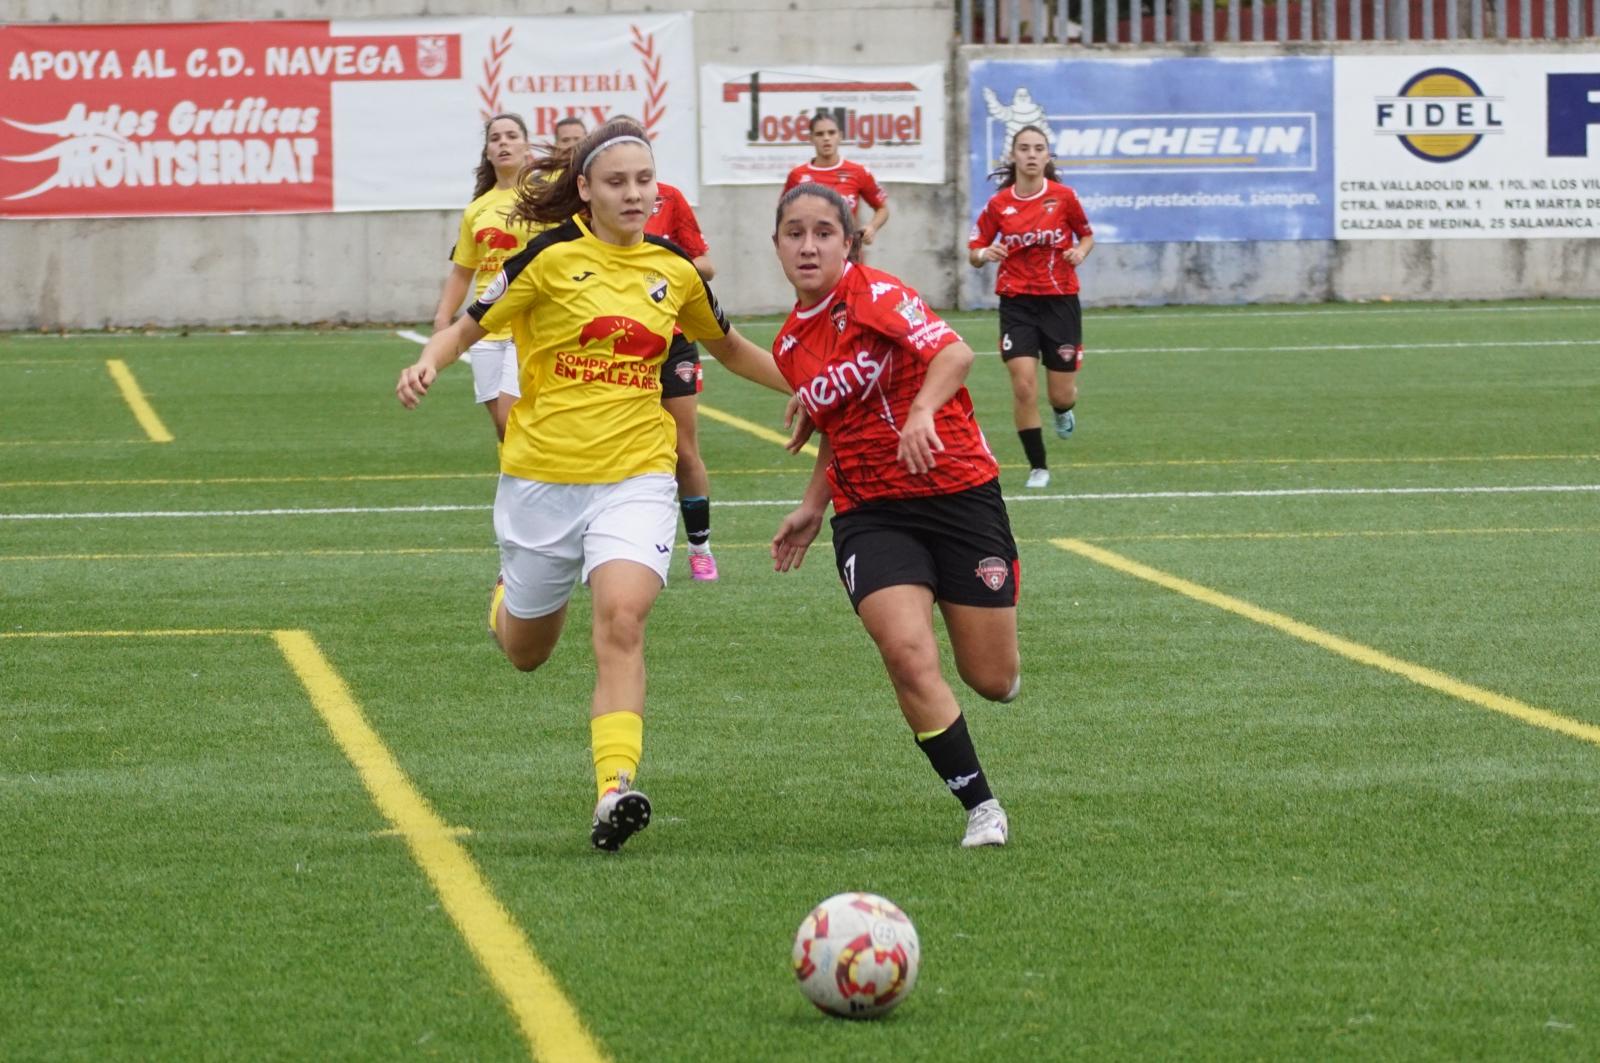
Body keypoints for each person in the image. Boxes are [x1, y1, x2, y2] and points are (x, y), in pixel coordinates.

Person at [396, 118, 795, 852]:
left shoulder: (674, 271)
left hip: (637, 476)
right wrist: (431, 357)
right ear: (584, 189)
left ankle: (614, 789)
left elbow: (731, 349)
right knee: (527, 651)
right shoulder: (546, 259)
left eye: (645, 180)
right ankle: (505, 597)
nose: (635, 194)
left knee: (621, 619)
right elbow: (472, 324)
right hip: (542, 480)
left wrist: (816, 388)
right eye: (617, 182)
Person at [767, 183, 1019, 849]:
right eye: (795, 232)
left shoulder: (876, 295)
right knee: (906, 653)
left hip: (960, 493)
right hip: (871, 511)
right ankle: (982, 807)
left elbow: (954, 354)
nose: (809, 244)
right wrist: (812, 506)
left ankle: (993, 671)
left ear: (849, 241)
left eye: (825, 231)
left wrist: (920, 410)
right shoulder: (791, 344)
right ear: (777, 246)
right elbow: (840, 428)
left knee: (992, 679)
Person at [968, 124, 1094, 490]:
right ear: (1013, 155)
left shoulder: (1064, 197)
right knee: (1023, 386)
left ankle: (1062, 410)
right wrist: (982, 253)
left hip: (1060, 300)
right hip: (1017, 301)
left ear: (1047, 155)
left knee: (1060, 392)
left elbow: (1086, 234)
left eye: (1039, 148)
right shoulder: (999, 204)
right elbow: (974, 247)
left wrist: (1079, 252)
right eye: (1024, 148)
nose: (1032, 154)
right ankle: (1038, 467)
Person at [430, 113, 539, 440]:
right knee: (504, 428)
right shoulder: (477, 209)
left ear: (526, 146)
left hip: (529, 324)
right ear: (488, 152)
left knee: (512, 417)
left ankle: (543, 478)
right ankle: (520, 483)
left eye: (511, 136)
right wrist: (442, 321)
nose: (503, 142)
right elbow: (463, 271)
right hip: (485, 329)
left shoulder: (545, 200)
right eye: (495, 138)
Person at [645, 179, 720, 580]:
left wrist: (666, 268)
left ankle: (700, 548)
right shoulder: (587, 212)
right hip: (618, 347)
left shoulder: (669, 198)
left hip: (673, 343)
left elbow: (706, 264)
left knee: (684, 450)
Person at [782, 112, 889, 256]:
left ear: (840, 136)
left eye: (831, 133)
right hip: (812, 255)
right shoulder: (797, 176)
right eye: (820, 134)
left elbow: (882, 209)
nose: (826, 138)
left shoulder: (858, 172)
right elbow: (784, 216)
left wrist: (871, 228)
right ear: (811, 139)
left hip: (848, 254)